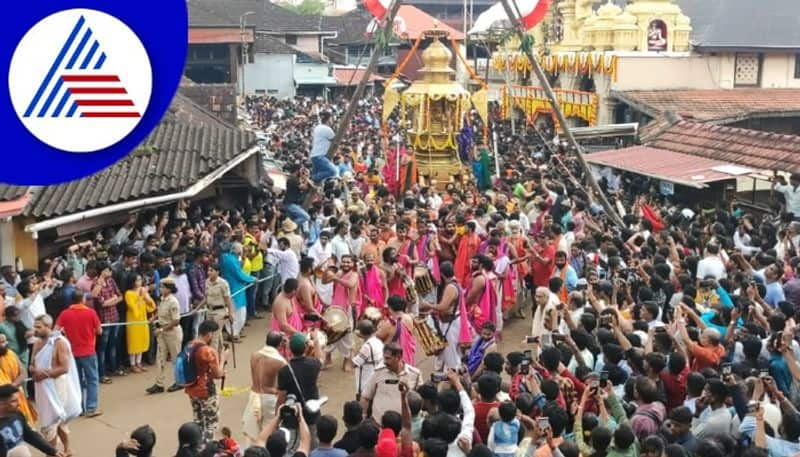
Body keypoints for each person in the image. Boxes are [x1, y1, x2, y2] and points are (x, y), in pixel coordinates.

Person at [30, 314, 81, 455]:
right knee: (55, 420)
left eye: (38, 327)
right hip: (41, 387)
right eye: (35, 326)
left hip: (56, 386)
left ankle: (55, 452)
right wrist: (33, 370)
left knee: (52, 422)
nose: (35, 330)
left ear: (48, 326)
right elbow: (32, 364)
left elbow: (64, 368)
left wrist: (44, 374)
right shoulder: (37, 343)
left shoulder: (59, 343)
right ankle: (65, 450)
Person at [54, 290, 102, 417]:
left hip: (72, 352)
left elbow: (56, 330)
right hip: (88, 350)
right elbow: (99, 331)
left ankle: (78, 407)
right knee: (92, 379)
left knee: (77, 380)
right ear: (83, 300)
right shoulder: (91, 312)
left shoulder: (64, 314)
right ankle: (91, 408)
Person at [242, 331, 287, 447]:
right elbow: (284, 384)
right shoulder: (280, 362)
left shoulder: (254, 355)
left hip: (254, 395)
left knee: (253, 431)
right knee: (268, 430)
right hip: (270, 397)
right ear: (280, 344)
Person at [185, 320, 227, 443]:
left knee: (198, 421)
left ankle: (196, 447)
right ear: (209, 334)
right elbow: (217, 374)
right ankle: (206, 450)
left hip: (192, 388)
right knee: (210, 424)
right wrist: (223, 359)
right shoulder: (208, 351)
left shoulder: (189, 345)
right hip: (206, 390)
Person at [359, 343, 422, 422]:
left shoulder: (415, 374)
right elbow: (365, 397)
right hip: (379, 425)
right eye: (384, 358)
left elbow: (420, 401)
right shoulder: (378, 372)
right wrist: (362, 417)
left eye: (388, 358)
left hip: (404, 426)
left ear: (398, 358)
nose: (384, 361)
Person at [276, 333, 323, 440]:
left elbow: (281, 397)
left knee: (294, 445)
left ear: (290, 349)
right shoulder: (314, 364)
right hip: (312, 412)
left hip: (293, 415)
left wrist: (277, 415)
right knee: (313, 442)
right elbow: (321, 358)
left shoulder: (284, 371)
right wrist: (316, 341)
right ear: (306, 347)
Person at [0, 383, 63, 457]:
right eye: (14, 401)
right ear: (1, 403)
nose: (19, 403)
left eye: (18, 400)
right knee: (21, 451)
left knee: (21, 451)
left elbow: (29, 435)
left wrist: (52, 451)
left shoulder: (17, 414)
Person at [146, 278, 183, 394]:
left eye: (162, 287)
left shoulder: (173, 302)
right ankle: (159, 384)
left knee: (175, 358)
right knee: (160, 358)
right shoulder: (163, 299)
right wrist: (154, 317)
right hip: (162, 332)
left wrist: (161, 329)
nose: (160, 289)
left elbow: (176, 321)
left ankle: (179, 382)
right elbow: (160, 311)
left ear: (168, 288)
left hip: (172, 333)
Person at [0, 333, 36, 426]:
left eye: (5, 341)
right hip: (3, 404)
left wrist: (12, 388)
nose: (4, 344)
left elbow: (23, 373)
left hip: (17, 397)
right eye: (1, 342)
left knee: (26, 427)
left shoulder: (11, 354)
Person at [123, 274, 156, 373]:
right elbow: (133, 308)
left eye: (140, 279)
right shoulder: (128, 293)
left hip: (143, 319)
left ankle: (139, 362)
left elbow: (151, 306)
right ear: (132, 281)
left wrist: (146, 297)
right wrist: (141, 296)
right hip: (133, 320)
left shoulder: (142, 291)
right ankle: (132, 364)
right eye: (137, 280)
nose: (140, 282)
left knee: (142, 340)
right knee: (134, 343)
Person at [352, 320, 384, 400]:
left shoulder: (367, 346)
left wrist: (351, 351)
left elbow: (354, 363)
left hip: (366, 378)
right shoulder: (378, 341)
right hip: (376, 375)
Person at [204, 262, 233, 353]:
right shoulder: (207, 282)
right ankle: (222, 353)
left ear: (217, 272)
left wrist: (230, 314)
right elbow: (206, 298)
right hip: (209, 311)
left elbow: (228, 300)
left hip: (219, 313)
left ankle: (212, 359)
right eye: (208, 270)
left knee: (214, 337)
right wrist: (196, 309)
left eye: (211, 270)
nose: (209, 272)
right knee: (216, 335)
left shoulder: (223, 283)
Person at [310, 112, 339, 183]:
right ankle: (312, 178)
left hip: (314, 156)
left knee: (317, 179)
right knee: (333, 171)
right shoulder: (327, 129)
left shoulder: (317, 128)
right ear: (329, 119)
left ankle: (312, 180)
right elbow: (335, 140)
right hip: (320, 156)